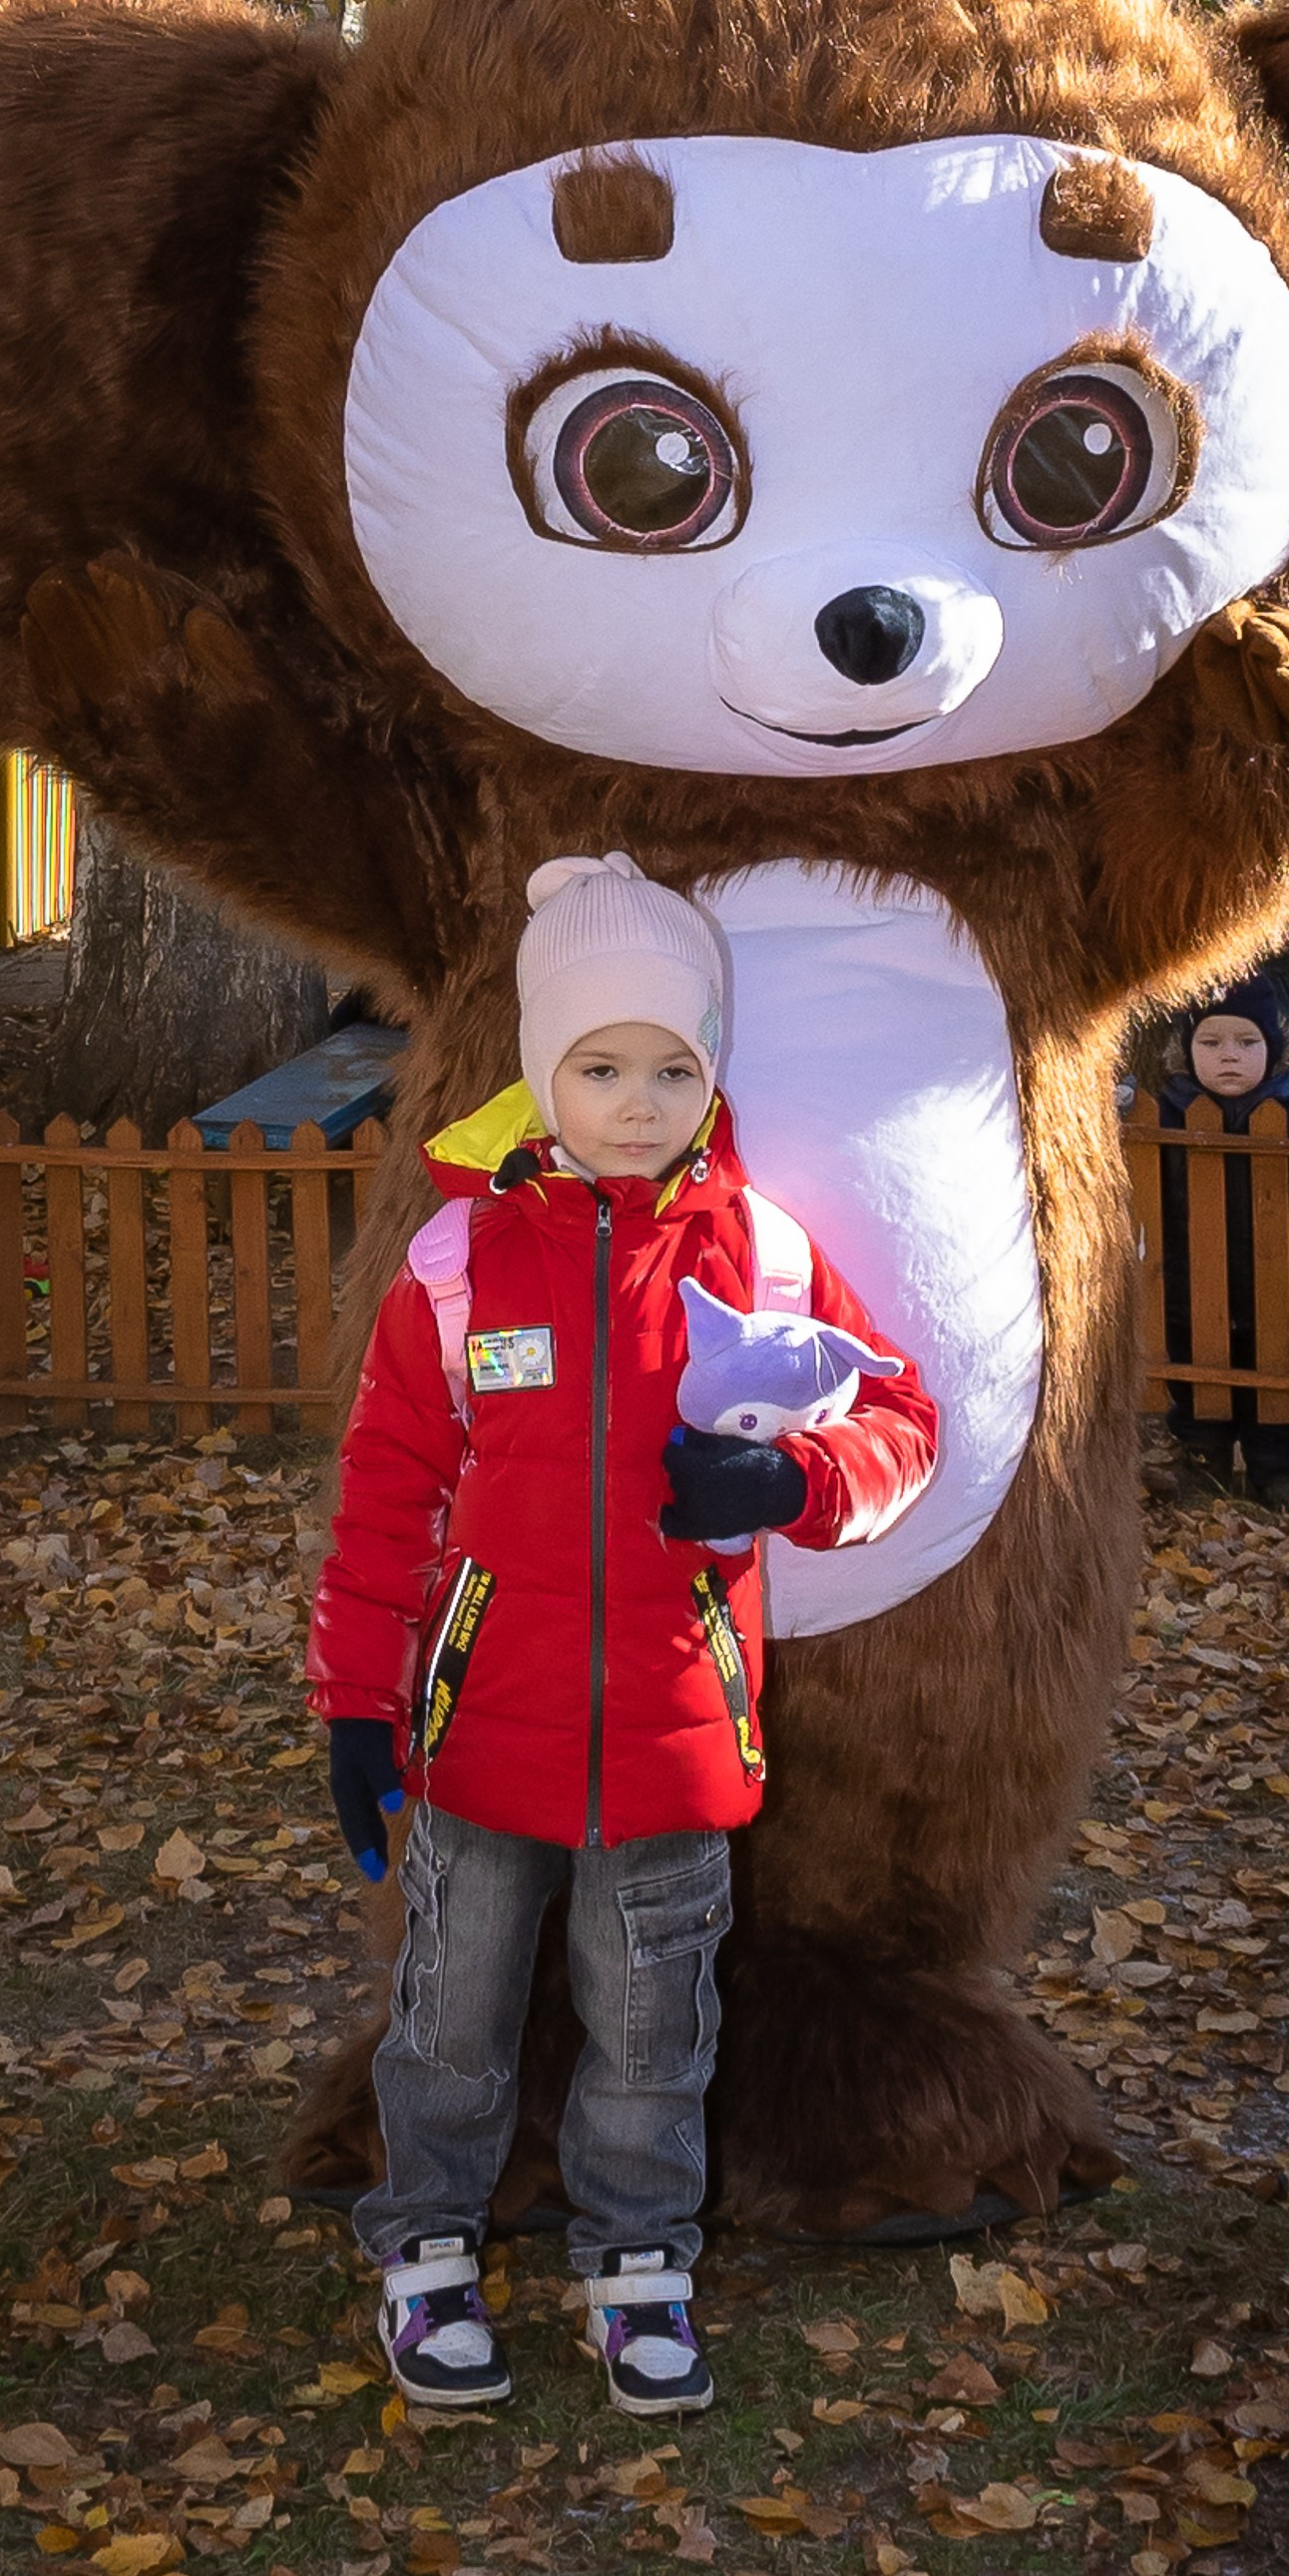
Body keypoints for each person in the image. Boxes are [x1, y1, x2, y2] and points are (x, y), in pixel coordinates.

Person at [306, 852, 938, 2418]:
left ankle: (638, 2271)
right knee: (451, 2018)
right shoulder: (458, 1270)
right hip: (480, 1736)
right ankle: (426, 2249)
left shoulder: (763, 1257)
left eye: (673, 1066)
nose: (637, 1100)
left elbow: (904, 1425)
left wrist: (790, 1472)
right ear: (542, 1073)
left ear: (712, 1075)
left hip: (674, 1734)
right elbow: (387, 1493)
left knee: (655, 2026)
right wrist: (356, 1707)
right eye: (600, 1066)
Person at [1155, 973, 1289, 1508]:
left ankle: (1277, 1473)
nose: (1228, 1056)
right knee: (1198, 1377)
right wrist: (1111, 1120)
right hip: (1193, 1283)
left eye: (1246, 1042)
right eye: (1210, 1042)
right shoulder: (1168, 1115)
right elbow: (1134, 1181)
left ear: (1275, 1048)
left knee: (1280, 1378)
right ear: (1187, 1050)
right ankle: (1202, 1465)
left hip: (1281, 1284)